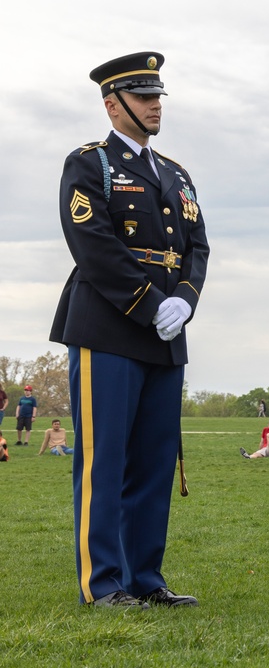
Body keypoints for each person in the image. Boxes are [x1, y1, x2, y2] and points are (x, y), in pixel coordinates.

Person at [50, 52, 208, 608]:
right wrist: (149, 304)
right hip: (110, 328)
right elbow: (93, 244)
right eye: (144, 98)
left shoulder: (176, 173)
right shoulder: (89, 164)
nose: (156, 105)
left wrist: (184, 301)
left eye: (159, 96)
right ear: (114, 105)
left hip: (167, 334)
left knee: (154, 460)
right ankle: (104, 583)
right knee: (105, 459)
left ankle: (146, 578)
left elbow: (198, 247)